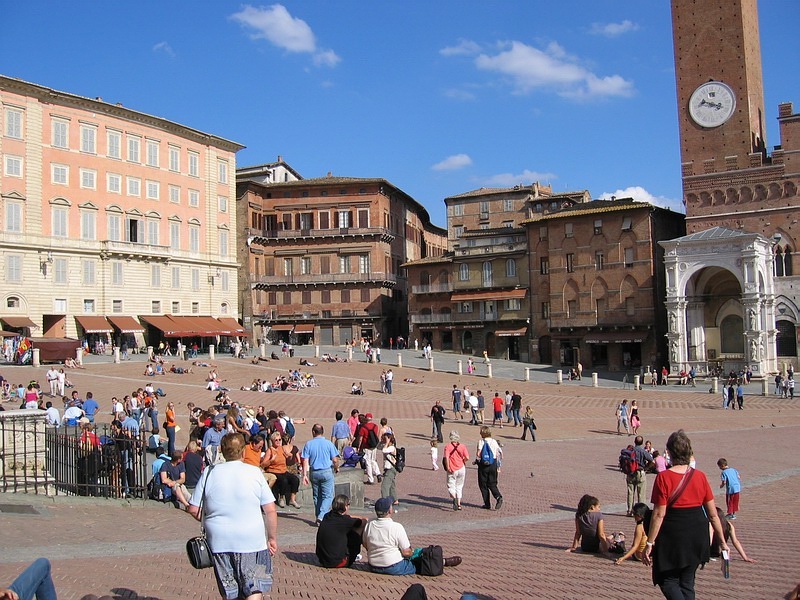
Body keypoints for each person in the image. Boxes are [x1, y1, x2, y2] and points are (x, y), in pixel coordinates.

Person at [188, 433, 278, 600]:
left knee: (230, 591)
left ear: (222, 451)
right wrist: (272, 537)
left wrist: (210, 519)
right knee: (253, 587)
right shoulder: (254, 472)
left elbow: (193, 508)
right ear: (243, 451)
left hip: (220, 540)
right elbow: (270, 509)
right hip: (251, 539)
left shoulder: (209, 472)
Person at [643, 429, 729, 600]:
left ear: (669, 452)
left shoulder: (664, 478)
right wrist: (722, 542)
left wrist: (650, 542)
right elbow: (713, 515)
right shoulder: (700, 476)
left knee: (667, 579)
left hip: (673, 535)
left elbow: (659, 514)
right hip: (697, 534)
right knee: (687, 582)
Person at [362, 497, 461, 575]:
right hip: (393, 566)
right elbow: (406, 552)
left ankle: (440, 561)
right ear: (389, 511)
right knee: (418, 561)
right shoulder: (396, 527)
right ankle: (442, 562)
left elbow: (366, 545)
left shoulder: (369, 525)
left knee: (414, 554)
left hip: (373, 565)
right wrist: (413, 553)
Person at [301, 423, 340, 526]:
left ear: (313, 432)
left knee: (316, 496)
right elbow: (335, 459)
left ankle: (319, 516)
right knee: (328, 496)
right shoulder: (329, 444)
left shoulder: (309, 444)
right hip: (326, 471)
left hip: (314, 472)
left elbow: (305, 460)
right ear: (323, 432)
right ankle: (321, 516)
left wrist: (304, 474)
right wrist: (337, 468)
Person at [316, 494, 367, 568]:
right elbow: (364, 521)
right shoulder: (346, 521)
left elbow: (347, 518)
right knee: (358, 528)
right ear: (345, 507)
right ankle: (355, 554)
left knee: (346, 530)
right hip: (337, 562)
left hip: (322, 560)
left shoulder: (327, 516)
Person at [263, 431, 301, 508]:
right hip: (274, 470)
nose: (278, 441)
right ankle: (281, 498)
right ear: (272, 441)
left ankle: (292, 499)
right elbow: (263, 464)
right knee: (284, 480)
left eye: (279, 439)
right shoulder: (270, 450)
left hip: (283, 470)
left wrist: (289, 456)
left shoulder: (282, 448)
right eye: (276, 440)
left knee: (295, 479)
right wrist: (271, 460)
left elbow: (288, 457)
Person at [475, 426, 503, 510]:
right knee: (492, 483)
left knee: (483, 484)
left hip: (484, 465)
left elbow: (479, 454)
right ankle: (498, 497)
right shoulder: (494, 441)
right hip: (493, 464)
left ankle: (487, 504)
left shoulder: (481, 441)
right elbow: (498, 452)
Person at [442, 430, 469, 511]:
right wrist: (463, 461)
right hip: (461, 468)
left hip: (452, 468)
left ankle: (454, 499)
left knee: (451, 484)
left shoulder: (448, 447)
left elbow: (446, 458)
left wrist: (447, 467)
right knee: (459, 486)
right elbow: (467, 457)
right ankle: (459, 504)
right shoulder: (463, 446)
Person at [626, 435, 653, 516]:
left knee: (630, 492)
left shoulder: (630, 450)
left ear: (634, 442)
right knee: (641, 493)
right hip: (640, 472)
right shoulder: (643, 451)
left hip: (630, 473)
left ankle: (630, 511)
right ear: (642, 443)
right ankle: (640, 512)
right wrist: (646, 468)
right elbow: (652, 461)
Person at [379, 432, 400, 504]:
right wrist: (382, 441)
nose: (384, 440)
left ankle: (385, 502)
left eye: (385, 439)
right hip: (388, 469)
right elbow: (378, 447)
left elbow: (383, 450)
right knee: (391, 485)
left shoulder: (392, 447)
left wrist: (387, 442)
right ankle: (395, 500)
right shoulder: (387, 446)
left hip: (391, 469)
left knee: (384, 486)